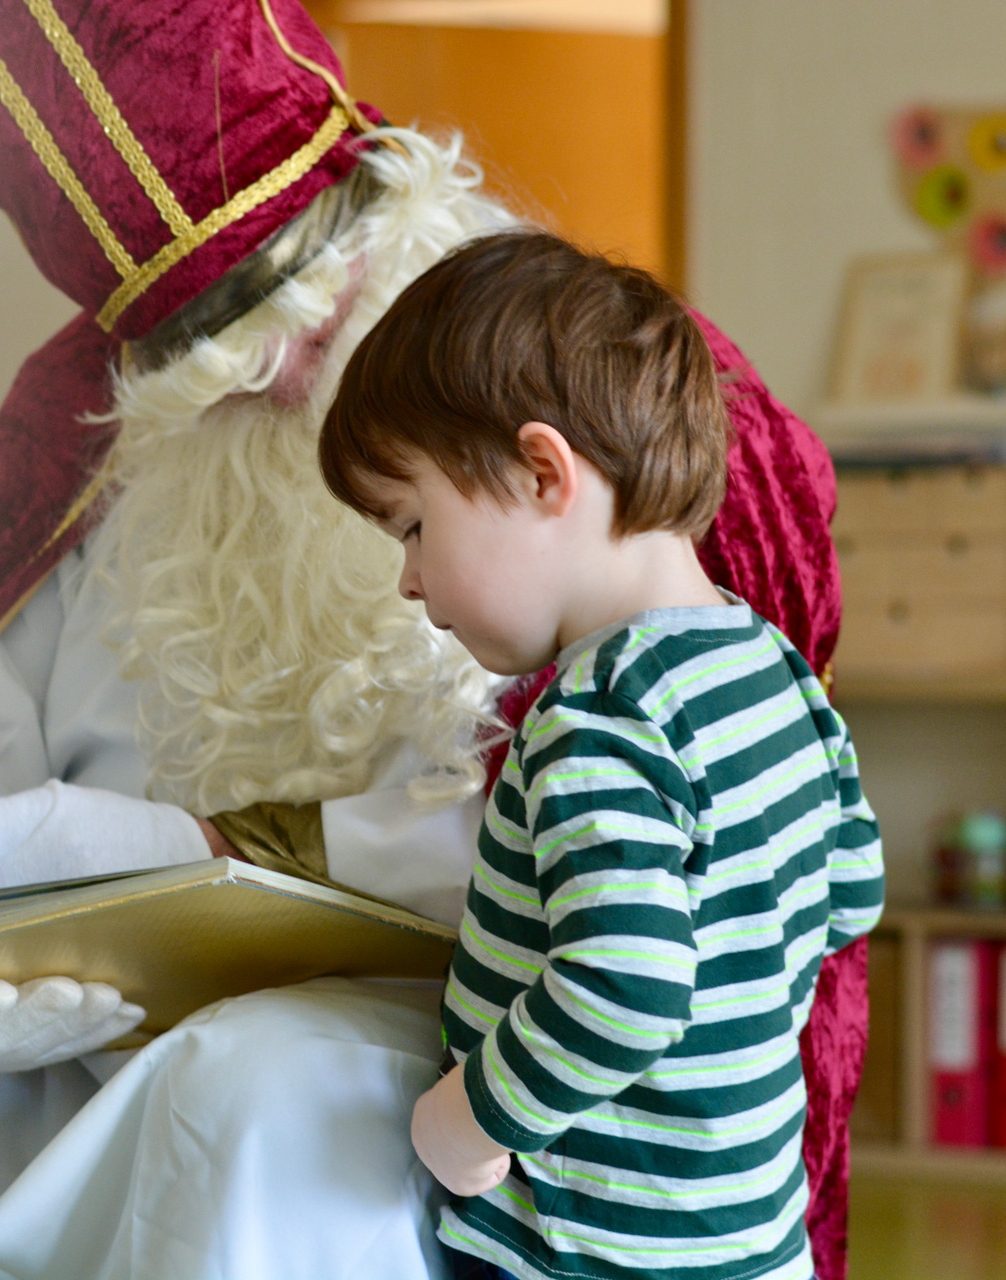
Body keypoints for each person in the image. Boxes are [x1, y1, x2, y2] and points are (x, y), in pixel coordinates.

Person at [0, 4, 867, 1277]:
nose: (273, 385)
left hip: (419, 1020)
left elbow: (642, 923)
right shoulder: (79, 446)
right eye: (207, 355)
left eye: (295, 313)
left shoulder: (578, 445)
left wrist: (236, 876)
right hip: (87, 1008)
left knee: (246, 1110)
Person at [319, 233, 884, 1280]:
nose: (407, 579)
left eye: (411, 524)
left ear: (543, 472)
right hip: (750, 1229)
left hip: (596, 1243)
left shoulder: (597, 714)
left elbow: (624, 984)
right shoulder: (768, 662)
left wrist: (472, 1118)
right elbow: (851, 886)